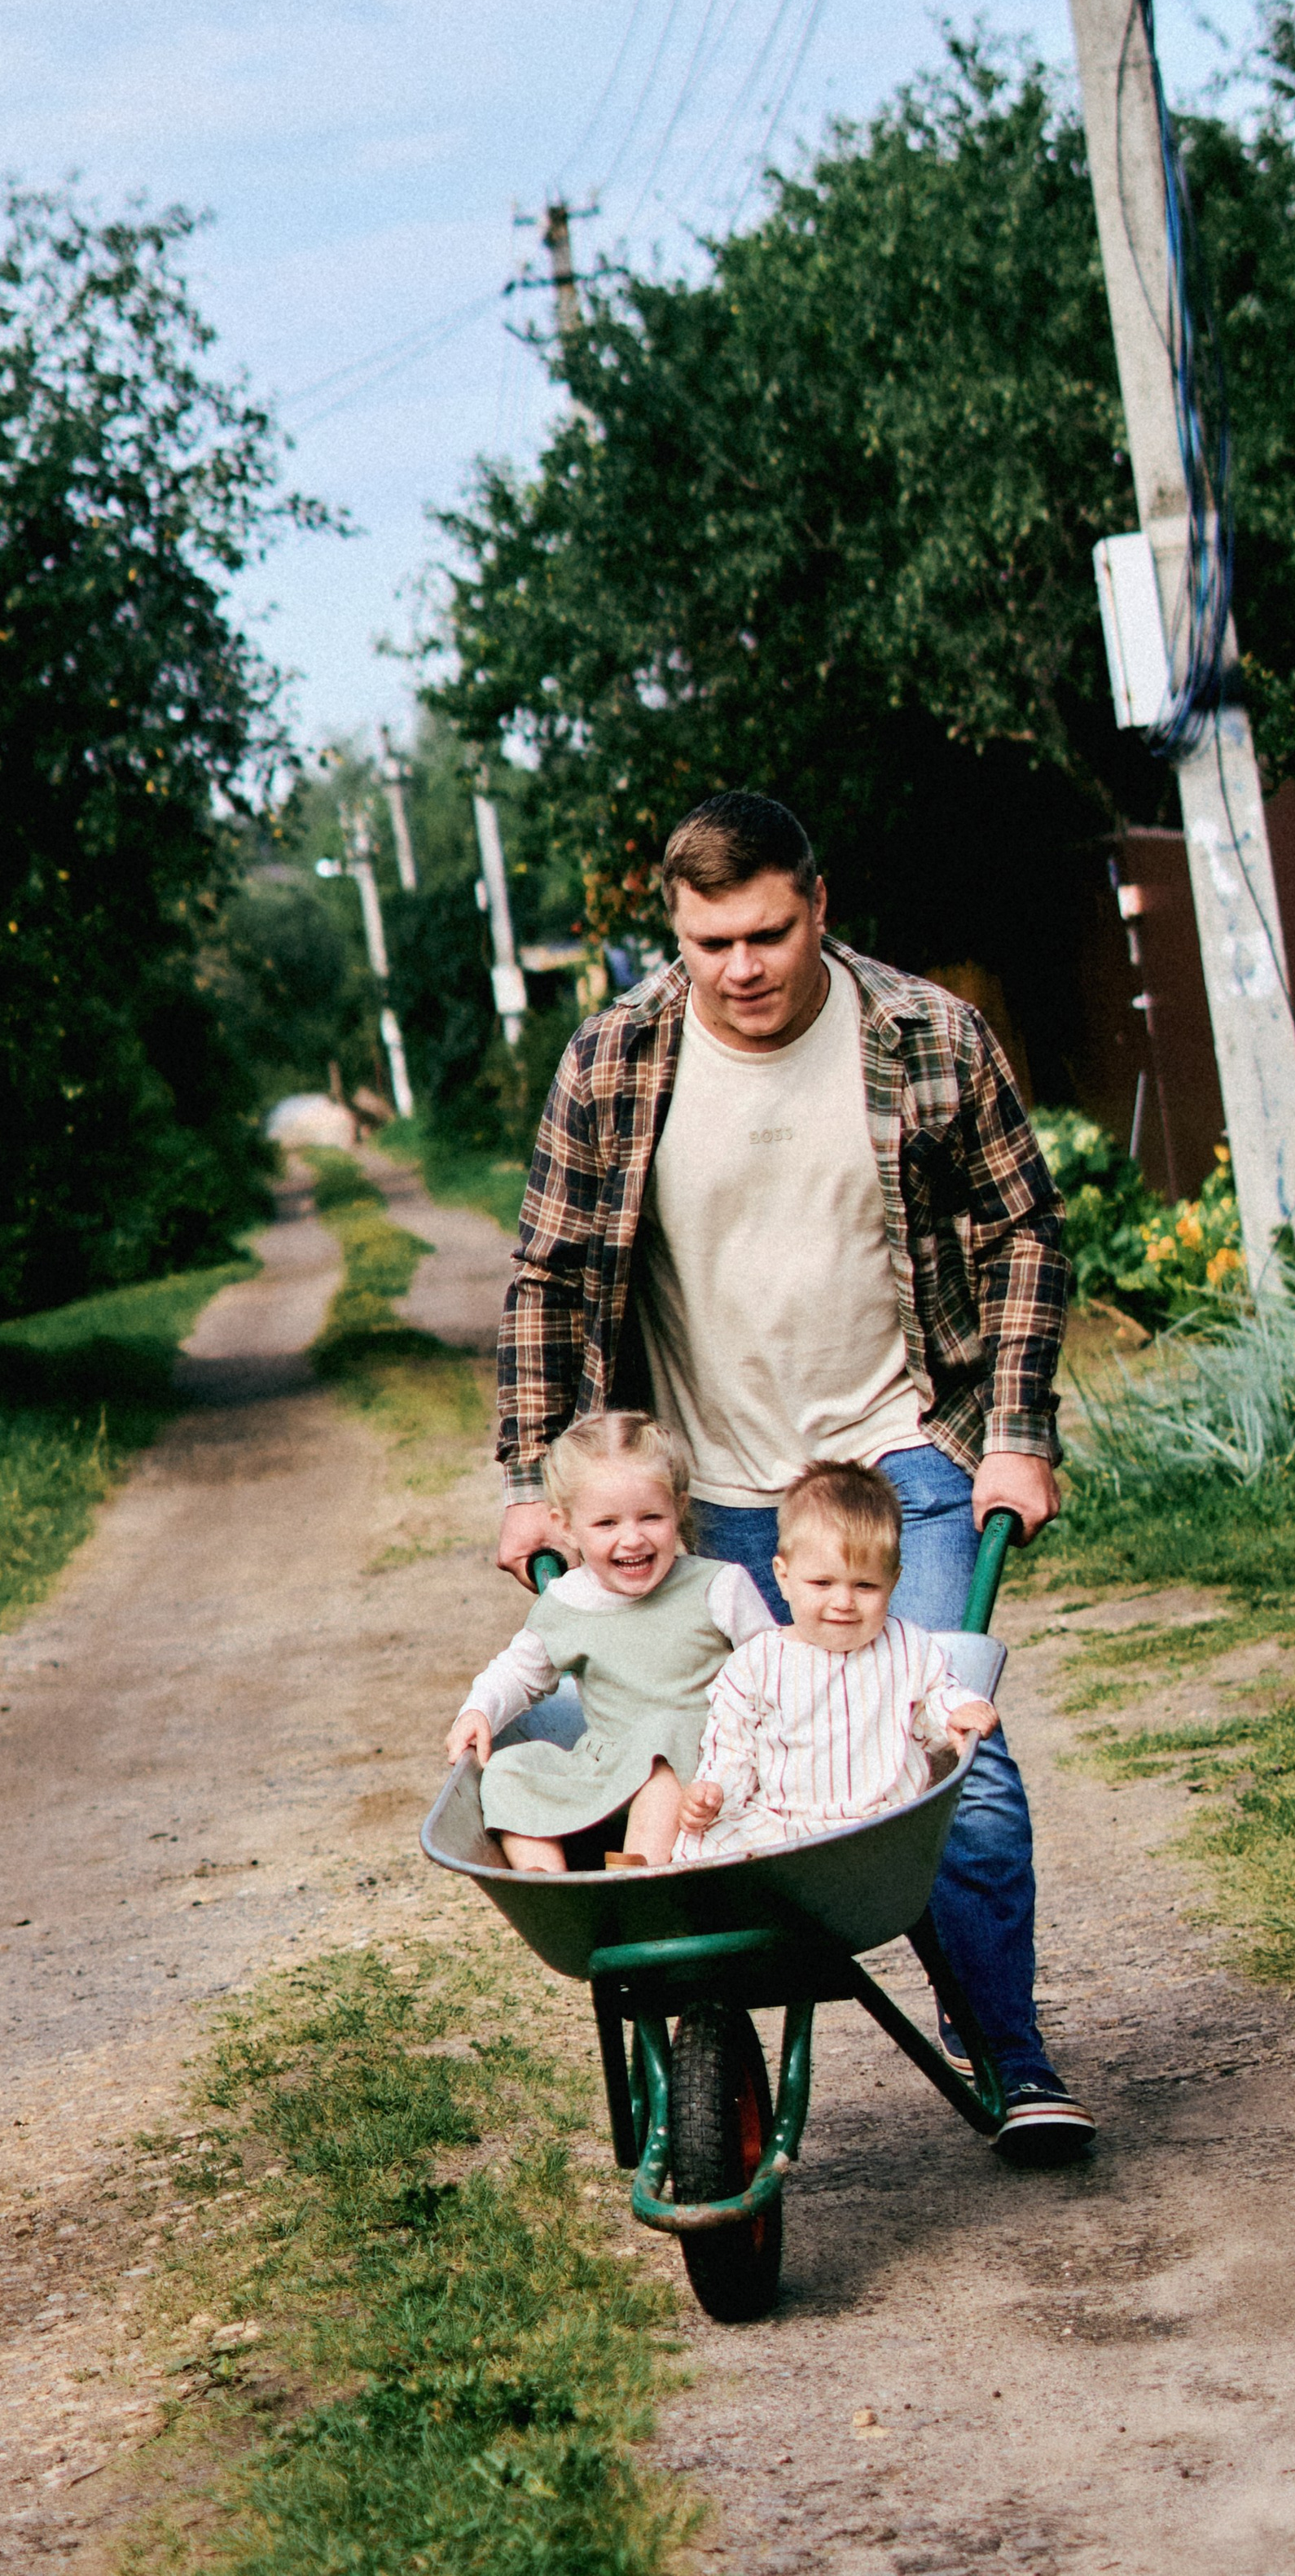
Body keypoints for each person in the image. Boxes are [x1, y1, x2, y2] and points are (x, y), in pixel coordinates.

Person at [494, 789, 1095, 2165]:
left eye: (769, 931)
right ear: (677, 929)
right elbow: (549, 1271)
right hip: (702, 1492)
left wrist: (1016, 1428)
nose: (744, 968)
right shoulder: (616, 1056)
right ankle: (716, 2067)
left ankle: (1010, 2047)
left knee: (953, 1752)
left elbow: (1024, 1233)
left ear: (817, 905)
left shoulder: (925, 1034)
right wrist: (538, 1476)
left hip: (900, 1455)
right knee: (697, 1785)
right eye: (713, 941)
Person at [448, 1410, 772, 1871]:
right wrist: (479, 1709)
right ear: (566, 1527)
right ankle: (548, 1884)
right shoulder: (567, 1601)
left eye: (651, 1517)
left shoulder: (718, 1587)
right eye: (606, 1524)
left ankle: (636, 1881)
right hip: (604, 1769)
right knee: (507, 1770)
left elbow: (776, 1670)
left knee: (665, 1733)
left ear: (679, 1509)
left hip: (703, 1771)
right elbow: (519, 1672)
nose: (632, 1539)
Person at [676, 1461, 997, 1864]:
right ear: (784, 1576)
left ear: (893, 1582)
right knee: (703, 1843)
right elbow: (732, 1749)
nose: (843, 1603)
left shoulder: (907, 1647)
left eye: (865, 1585)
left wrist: (957, 1711)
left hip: (877, 1825)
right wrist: (714, 1791)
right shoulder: (755, 1663)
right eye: (822, 1583)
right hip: (782, 1824)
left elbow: (935, 1700)